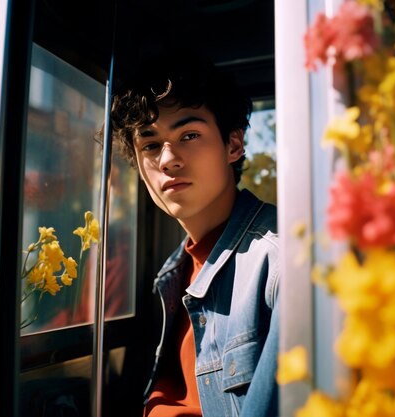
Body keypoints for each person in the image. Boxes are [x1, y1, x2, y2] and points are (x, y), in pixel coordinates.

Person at [110, 51, 280, 417]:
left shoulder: (279, 265)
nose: (168, 159)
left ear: (233, 146)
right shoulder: (170, 277)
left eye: (189, 134)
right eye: (150, 145)